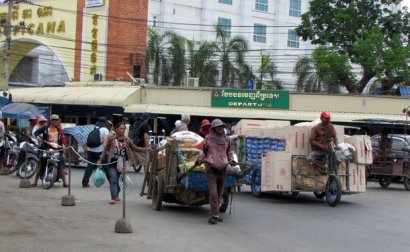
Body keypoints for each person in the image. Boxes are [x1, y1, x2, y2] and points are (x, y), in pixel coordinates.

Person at [98, 122, 151, 204]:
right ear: (116, 129)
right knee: (113, 179)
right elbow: (105, 149)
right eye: (120, 128)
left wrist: (146, 149)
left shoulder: (127, 140)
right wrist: (101, 159)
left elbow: (135, 148)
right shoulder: (111, 138)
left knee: (121, 181)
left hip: (124, 163)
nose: (122, 130)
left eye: (123, 129)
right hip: (112, 162)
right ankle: (113, 197)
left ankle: (116, 194)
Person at [198, 119, 234, 225]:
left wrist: (231, 160)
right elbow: (203, 151)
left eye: (222, 127)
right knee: (213, 193)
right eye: (218, 127)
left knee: (219, 194)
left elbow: (229, 152)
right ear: (213, 128)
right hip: (211, 167)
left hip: (223, 168)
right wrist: (200, 158)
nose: (220, 128)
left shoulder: (227, 140)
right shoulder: (208, 139)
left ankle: (216, 214)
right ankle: (214, 215)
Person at [32, 114, 67, 187]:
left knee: (60, 166)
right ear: (51, 121)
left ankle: (65, 182)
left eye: (57, 120)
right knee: (41, 165)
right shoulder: (45, 128)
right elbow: (36, 133)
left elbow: (62, 140)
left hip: (57, 150)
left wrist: (63, 145)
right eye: (55, 120)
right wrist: (38, 137)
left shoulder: (59, 130)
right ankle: (35, 181)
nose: (57, 122)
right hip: (46, 149)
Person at [82, 117, 109, 188]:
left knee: (89, 167)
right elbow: (105, 143)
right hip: (101, 151)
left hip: (91, 151)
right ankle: (112, 182)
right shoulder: (105, 130)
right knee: (106, 167)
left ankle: (85, 182)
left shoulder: (93, 128)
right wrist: (107, 151)